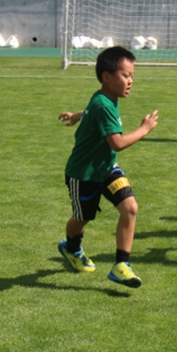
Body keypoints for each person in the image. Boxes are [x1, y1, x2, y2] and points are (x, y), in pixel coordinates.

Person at [57, 46, 158, 288]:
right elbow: (118, 142)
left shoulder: (104, 99)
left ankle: (121, 265)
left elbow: (92, 110)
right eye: (126, 75)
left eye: (132, 75)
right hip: (84, 174)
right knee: (82, 218)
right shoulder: (104, 104)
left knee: (130, 207)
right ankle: (70, 247)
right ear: (107, 77)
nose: (130, 81)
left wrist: (77, 115)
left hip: (107, 168)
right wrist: (144, 129)